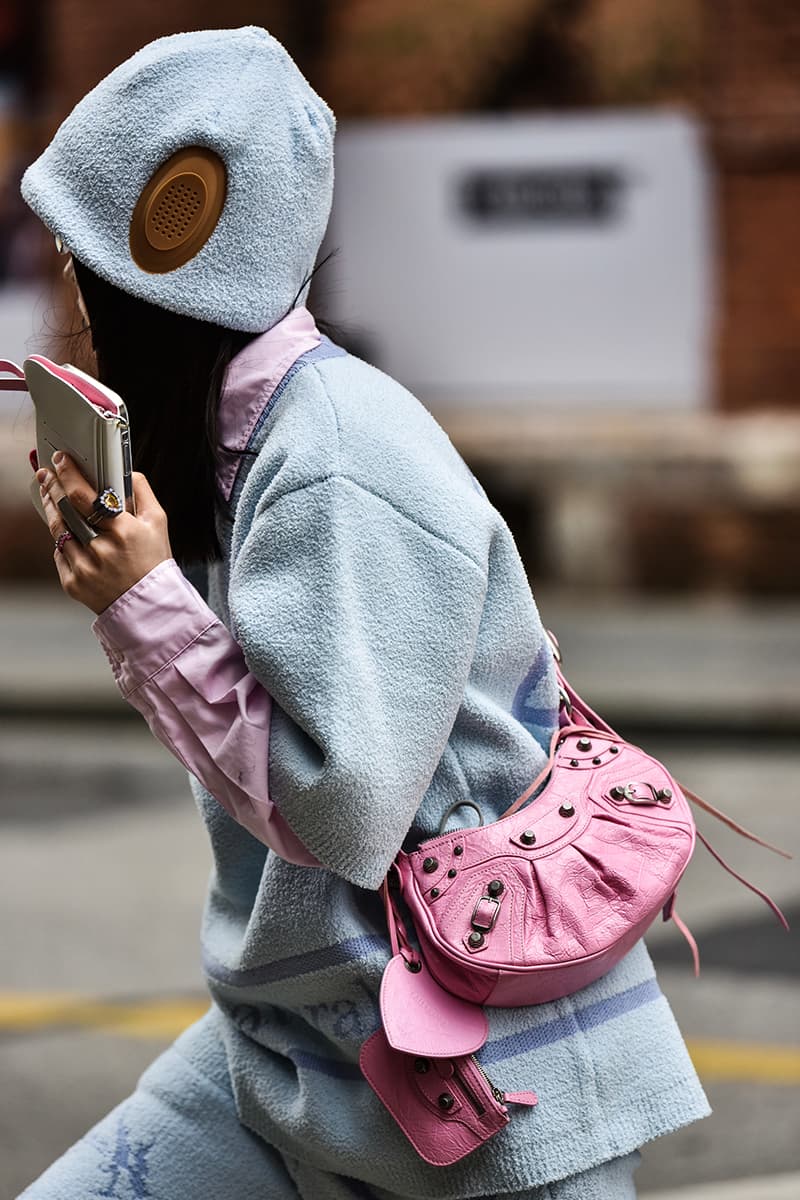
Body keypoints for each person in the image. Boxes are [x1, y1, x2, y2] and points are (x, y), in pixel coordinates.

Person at [18, 26, 709, 1200]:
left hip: (490, 1100)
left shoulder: (331, 456)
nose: (68, 286)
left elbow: (341, 809)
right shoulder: (243, 448)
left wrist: (146, 611)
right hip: (299, 1057)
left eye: (84, 252)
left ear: (160, 265)